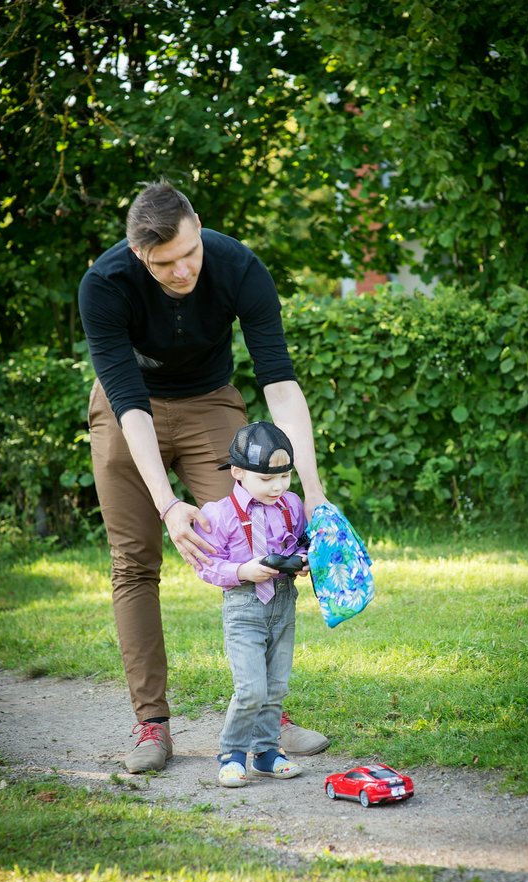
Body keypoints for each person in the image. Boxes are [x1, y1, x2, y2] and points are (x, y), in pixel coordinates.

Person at [78, 180, 329, 773]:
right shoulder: (104, 284)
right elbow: (130, 406)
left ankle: (267, 717)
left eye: (190, 252)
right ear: (139, 254)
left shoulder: (238, 266)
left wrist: (314, 495)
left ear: (198, 227)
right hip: (127, 409)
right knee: (134, 562)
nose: (184, 269)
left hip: (210, 400)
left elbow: (279, 383)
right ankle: (152, 724)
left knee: (263, 542)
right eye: (165, 263)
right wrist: (168, 505)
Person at [194, 421, 307, 787]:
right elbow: (207, 564)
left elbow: (299, 542)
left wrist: (301, 559)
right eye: (267, 479)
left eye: (285, 477)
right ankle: (232, 754)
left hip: (283, 604)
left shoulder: (291, 505)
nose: (278, 487)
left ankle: (266, 752)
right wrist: (243, 570)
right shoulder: (218, 514)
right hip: (244, 608)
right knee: (251, 690)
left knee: (276, 687)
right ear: (238, 473)